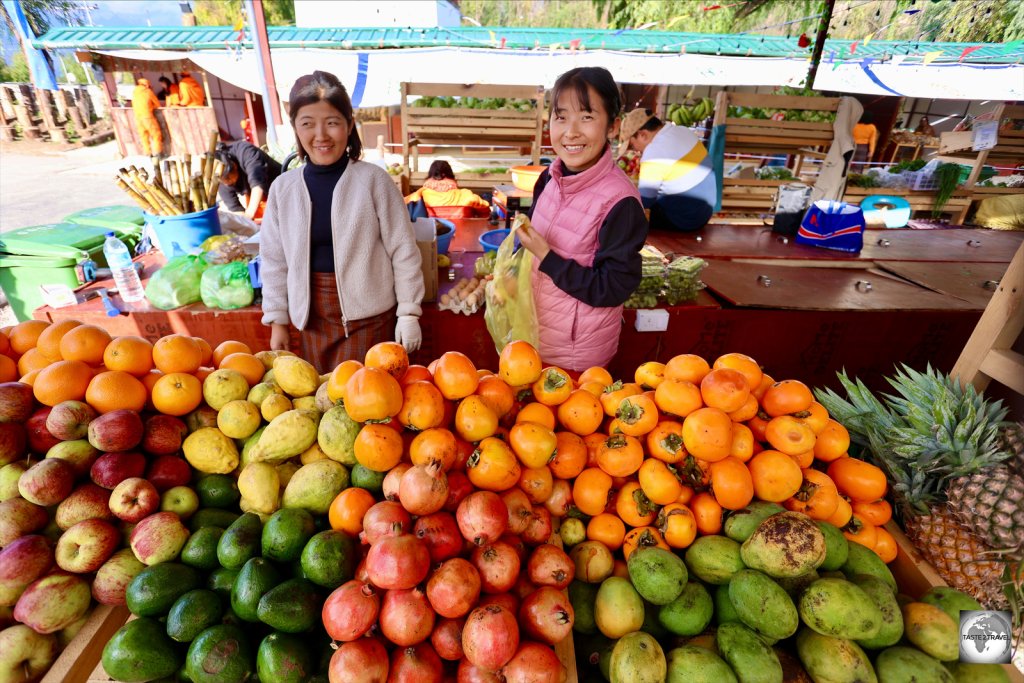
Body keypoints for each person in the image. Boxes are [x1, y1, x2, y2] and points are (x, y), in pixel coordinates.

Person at [259, 70, 424, 373]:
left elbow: (403, 249)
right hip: (310, 319)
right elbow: (273, 259)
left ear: (349, 125)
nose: (320, 136)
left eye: (332, 123)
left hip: (369, 318)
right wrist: (277, 318)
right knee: (322, 405)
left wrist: (408, 313)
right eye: (308, 124)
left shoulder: (374, 181)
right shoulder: (284, 189)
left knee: (366, 402)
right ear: (296, 128)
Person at [516, 66, 648, 372]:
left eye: (586, 117)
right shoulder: (548, 178)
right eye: (561, 117)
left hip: (577, 358)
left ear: (613, 127)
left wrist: (547, 257)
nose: (571, 131)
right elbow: (532, 246)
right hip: (533, 335)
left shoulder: (621, 203)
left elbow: (612, 288)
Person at [619, 108, 716, 232]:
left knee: (631, 215)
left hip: (684, 221)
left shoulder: (653, 152)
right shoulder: (683, 131)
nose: (635, 150)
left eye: (632, 145)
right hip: (705, 213)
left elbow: (645, 201)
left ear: (642, 134)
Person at [216, 140, 282, 221]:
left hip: (280, 188)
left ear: (234, 165)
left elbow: (257, 183)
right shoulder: (218, 177)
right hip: (259, 201)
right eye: (224, 181)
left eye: (228, 178)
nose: (228, 183)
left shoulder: (245, 151)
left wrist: (249, 214)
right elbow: (236, 209)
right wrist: (246, 221)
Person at [404, 160, 491, 218]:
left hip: (429, 241)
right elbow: (486, 213)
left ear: (430, 176)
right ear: (452, 177)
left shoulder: (419, 195)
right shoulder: (466, 195)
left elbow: (401, 205)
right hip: (462, 241)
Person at [131, 78, 162, 159]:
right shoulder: (148, 92)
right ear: (147, 84)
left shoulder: (134, 93)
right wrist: (151, 107)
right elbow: (157, 104)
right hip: (147, 117)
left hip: (138, 118)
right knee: (156, 134)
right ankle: (158, 153)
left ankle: (148, 154)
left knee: (144, 136)